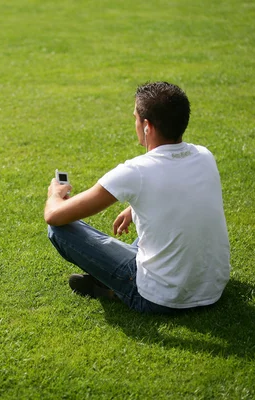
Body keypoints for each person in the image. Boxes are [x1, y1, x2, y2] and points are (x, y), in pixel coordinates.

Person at [44, 82, 230, 314]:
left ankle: (113, 288)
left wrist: (55, 194)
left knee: (60, 230)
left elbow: (54, 216)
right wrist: (133, 209)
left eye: (135, 118)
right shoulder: (204, 155)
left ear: (146, 127)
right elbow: (176, 191)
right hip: (212, 288)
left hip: (161, 298)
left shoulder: (136, 172)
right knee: (155, 226)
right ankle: (109, 279)